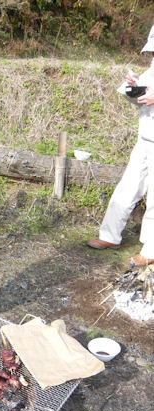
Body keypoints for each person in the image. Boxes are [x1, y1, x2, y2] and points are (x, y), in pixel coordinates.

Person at [87, 25, 154, 267]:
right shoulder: (151, 72)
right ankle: (109, 236)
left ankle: (151, 250)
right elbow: (138, 101)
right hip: (144, 140)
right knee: (127, 188)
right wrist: (132, 85)